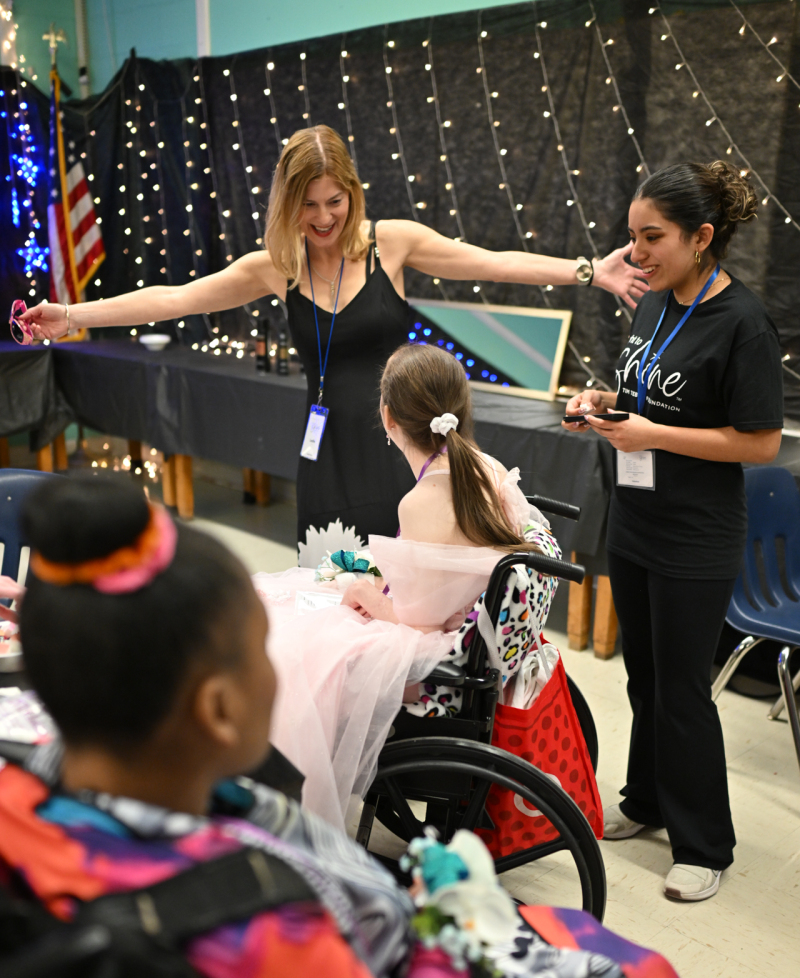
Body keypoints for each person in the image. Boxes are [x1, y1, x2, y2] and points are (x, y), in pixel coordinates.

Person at [1, 472, 798, 978]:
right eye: (260, 651)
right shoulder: (254, 936)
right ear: (216, 708)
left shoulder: (23, 806)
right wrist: (449, 936)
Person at [17, 125, 648, 546]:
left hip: (405, 446)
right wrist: (71, 315)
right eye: (308, 204)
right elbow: (174, 298)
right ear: (288, 202)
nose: (323, 218)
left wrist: (590, 272)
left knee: (408, 597)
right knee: (335, 587)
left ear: (353, 192)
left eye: (335, 201)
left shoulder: (391, 244)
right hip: (327, 454)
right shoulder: (277, 266)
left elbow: (493, 263)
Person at [563, 161, 783, 902]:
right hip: (637, 522)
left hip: (696, 537)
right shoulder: (654, 303)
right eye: (633, 236)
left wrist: (653, 436)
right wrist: (603, 402)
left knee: (683, 692)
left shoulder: (744, 322)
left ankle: (703, 845)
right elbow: (645, 394)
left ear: (701, 237)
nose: (638, 252)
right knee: (645, 678)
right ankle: (648, 800)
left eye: (652, 237)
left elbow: (761, 443)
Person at [253, 342, 560, 828]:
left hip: (431, 656)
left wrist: (365, 594)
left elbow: (416, 623)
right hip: (467, 628)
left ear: (388, 417)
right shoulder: (486, 466)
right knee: (302, 599)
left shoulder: (422, 500)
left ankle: (283, 797)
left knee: (287, 639)